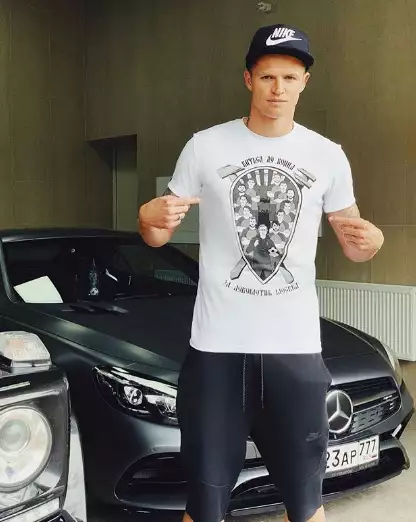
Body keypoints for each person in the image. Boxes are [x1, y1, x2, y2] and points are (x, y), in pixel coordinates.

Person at [137, 23, 384, 522]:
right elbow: (157, 234)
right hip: (216, 352)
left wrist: (373, 242)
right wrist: (147, 218)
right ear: (249, 78)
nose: (278, 89)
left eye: (290, 78)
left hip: (295, 350)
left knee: (306, 502)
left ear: (305, 82)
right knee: (205, 503)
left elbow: (354, 242)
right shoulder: (205, 146)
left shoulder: (327, 155)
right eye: (268, 76)